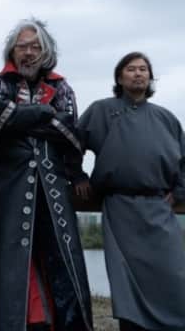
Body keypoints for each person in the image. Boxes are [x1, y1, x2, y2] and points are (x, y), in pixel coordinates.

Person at [0, 18, 93, 331]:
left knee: (64, 263)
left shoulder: (61, 86)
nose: (28, 53)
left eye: (35, 47)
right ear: (12, 51)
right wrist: (44, 113)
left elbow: (70, 132)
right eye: (22, 46)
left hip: (54, 193)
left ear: (46, 51)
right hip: (8, 190)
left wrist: (20, 119)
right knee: (11, 267)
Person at [77, 52, 185, 331]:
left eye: (143, 69)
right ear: (119, 77)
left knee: (173, 273)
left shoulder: (166, 118)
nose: (138, 74)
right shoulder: (101, 110)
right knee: (128, 282)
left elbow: (184, 162)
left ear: (150, 77)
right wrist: (77, 175)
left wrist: (179, 192)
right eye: (131, 69)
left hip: (159, 209)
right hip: (120, 209)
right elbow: (71, 143)